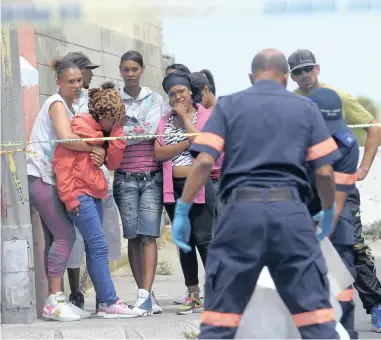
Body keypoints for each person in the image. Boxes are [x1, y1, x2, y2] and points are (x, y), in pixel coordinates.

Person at [170, 48, 341, 339]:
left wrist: (184, 209)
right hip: (291, 215)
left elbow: (205, 162)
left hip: (240, 216)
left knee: (220, 321)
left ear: (252, 77)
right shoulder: (306, 109)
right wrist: (326, 211)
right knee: (316, 319)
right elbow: (325, 172)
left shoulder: (229, 105)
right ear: (286, 77)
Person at [288, 49, 381, 331]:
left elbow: (373, 127)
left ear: (317, 68)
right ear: (291, 75)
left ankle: (376, 304)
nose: (304, 76)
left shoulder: (338, 96)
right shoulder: (291, 102)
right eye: (297, 72)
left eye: (308, 69)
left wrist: (363, 169)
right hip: (307, 187)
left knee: (352, 245)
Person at [26, 59, 105, 321]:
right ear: (58, 82)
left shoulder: (70, 106)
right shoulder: (57, 104)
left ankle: (54, 299)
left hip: (51, 180)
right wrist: (95, 146)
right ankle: (55, 300)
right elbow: (66, 138)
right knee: (65, 236)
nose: (77, 85)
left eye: (78, 80)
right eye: (70, 81)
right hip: (41, 178)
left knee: (54, 238)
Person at [53, 82, 139, 319]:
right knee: (99, 246)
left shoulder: (105, 132)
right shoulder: (79, 127)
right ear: (102, 115)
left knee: (95, 247)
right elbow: (62, 164)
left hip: (95, 193)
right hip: (79, 194)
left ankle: (104, 300)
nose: (116, 123)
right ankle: (109, 301)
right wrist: (70, 198)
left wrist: (117, 133)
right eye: (115, 119)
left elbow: (112, 164)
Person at [61, 52, 122, 314]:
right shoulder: (68, 107)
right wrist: (93, 147)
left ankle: (104, 298)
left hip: (95, 186)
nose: (90, 75)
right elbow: (64, 154)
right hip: (78, 188)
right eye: (86, 71)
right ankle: (90, 296)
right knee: (89, 243)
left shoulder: (96, 103)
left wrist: (105, 146)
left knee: (97, 243)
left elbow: (111, 157)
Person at [155, 71, 215, 315]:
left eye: (181, 91)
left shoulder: (206, 116)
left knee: (205, 240)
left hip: (200, 186)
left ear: (191, 92)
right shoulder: (163, 121)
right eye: (172, 94)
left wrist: (183, 119)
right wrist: (183, 143)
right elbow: (158, 154)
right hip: (174, 189)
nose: (177, 96)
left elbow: (202, 146)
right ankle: (194, 296)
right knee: (184, 243)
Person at [113, 51, 164, 316]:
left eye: (134, 69)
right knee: (133, 237)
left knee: (149, 235)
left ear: (142, 70)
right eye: (125, 69)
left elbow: (152, 130)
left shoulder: (155, 98)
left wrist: (123, 130)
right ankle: (145, 294)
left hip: (152, 178)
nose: (130, 74)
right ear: (121, 71)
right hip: (124, 178)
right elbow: (112, 133)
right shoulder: (114, 100)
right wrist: (127, 131)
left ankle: (144, 295)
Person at [307, 88, 359, 339]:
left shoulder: (347, 144)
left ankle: (346, 332)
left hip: (334, 212)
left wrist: (321, 234)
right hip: (298, 211)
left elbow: (337, 203)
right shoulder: (292, 140)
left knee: (341, 278)